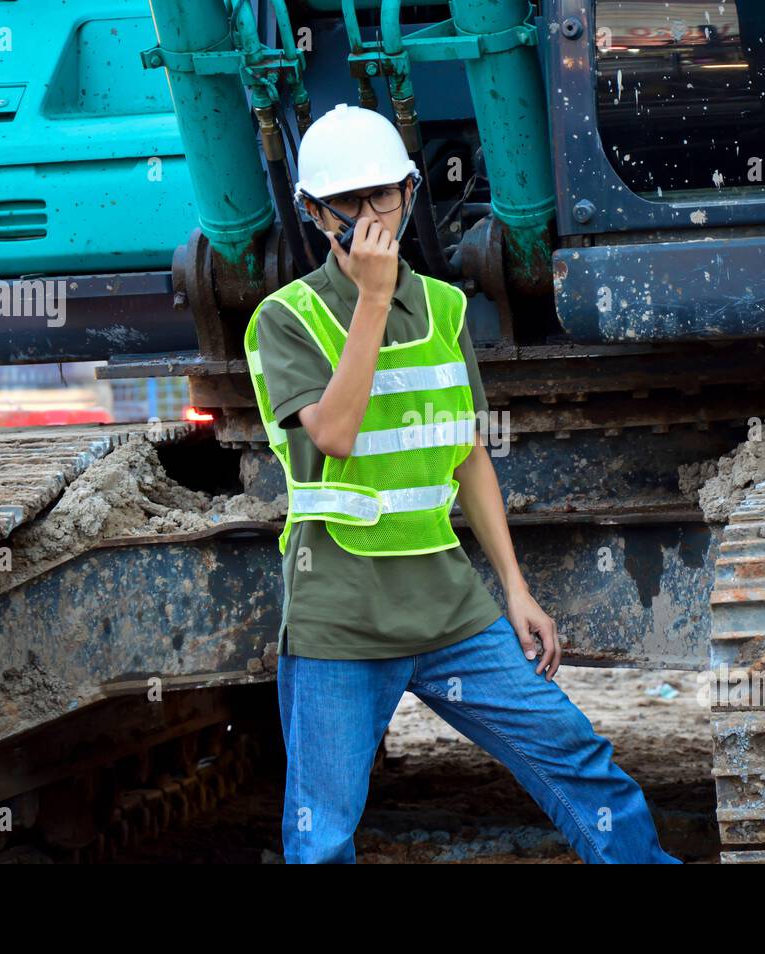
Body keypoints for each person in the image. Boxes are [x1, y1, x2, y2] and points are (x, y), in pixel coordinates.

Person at [244, 103, 680, 864]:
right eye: (348, 202)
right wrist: (373, 300)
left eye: (385, 194)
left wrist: (515, 587)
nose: (370, 215)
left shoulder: (445, 309)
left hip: (450, 612)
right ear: (315, 213)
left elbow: (467, 453)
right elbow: (337, 435)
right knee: (322, 838)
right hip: (337, 622)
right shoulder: (288, 319)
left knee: (579, 763)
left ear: (411, 193)